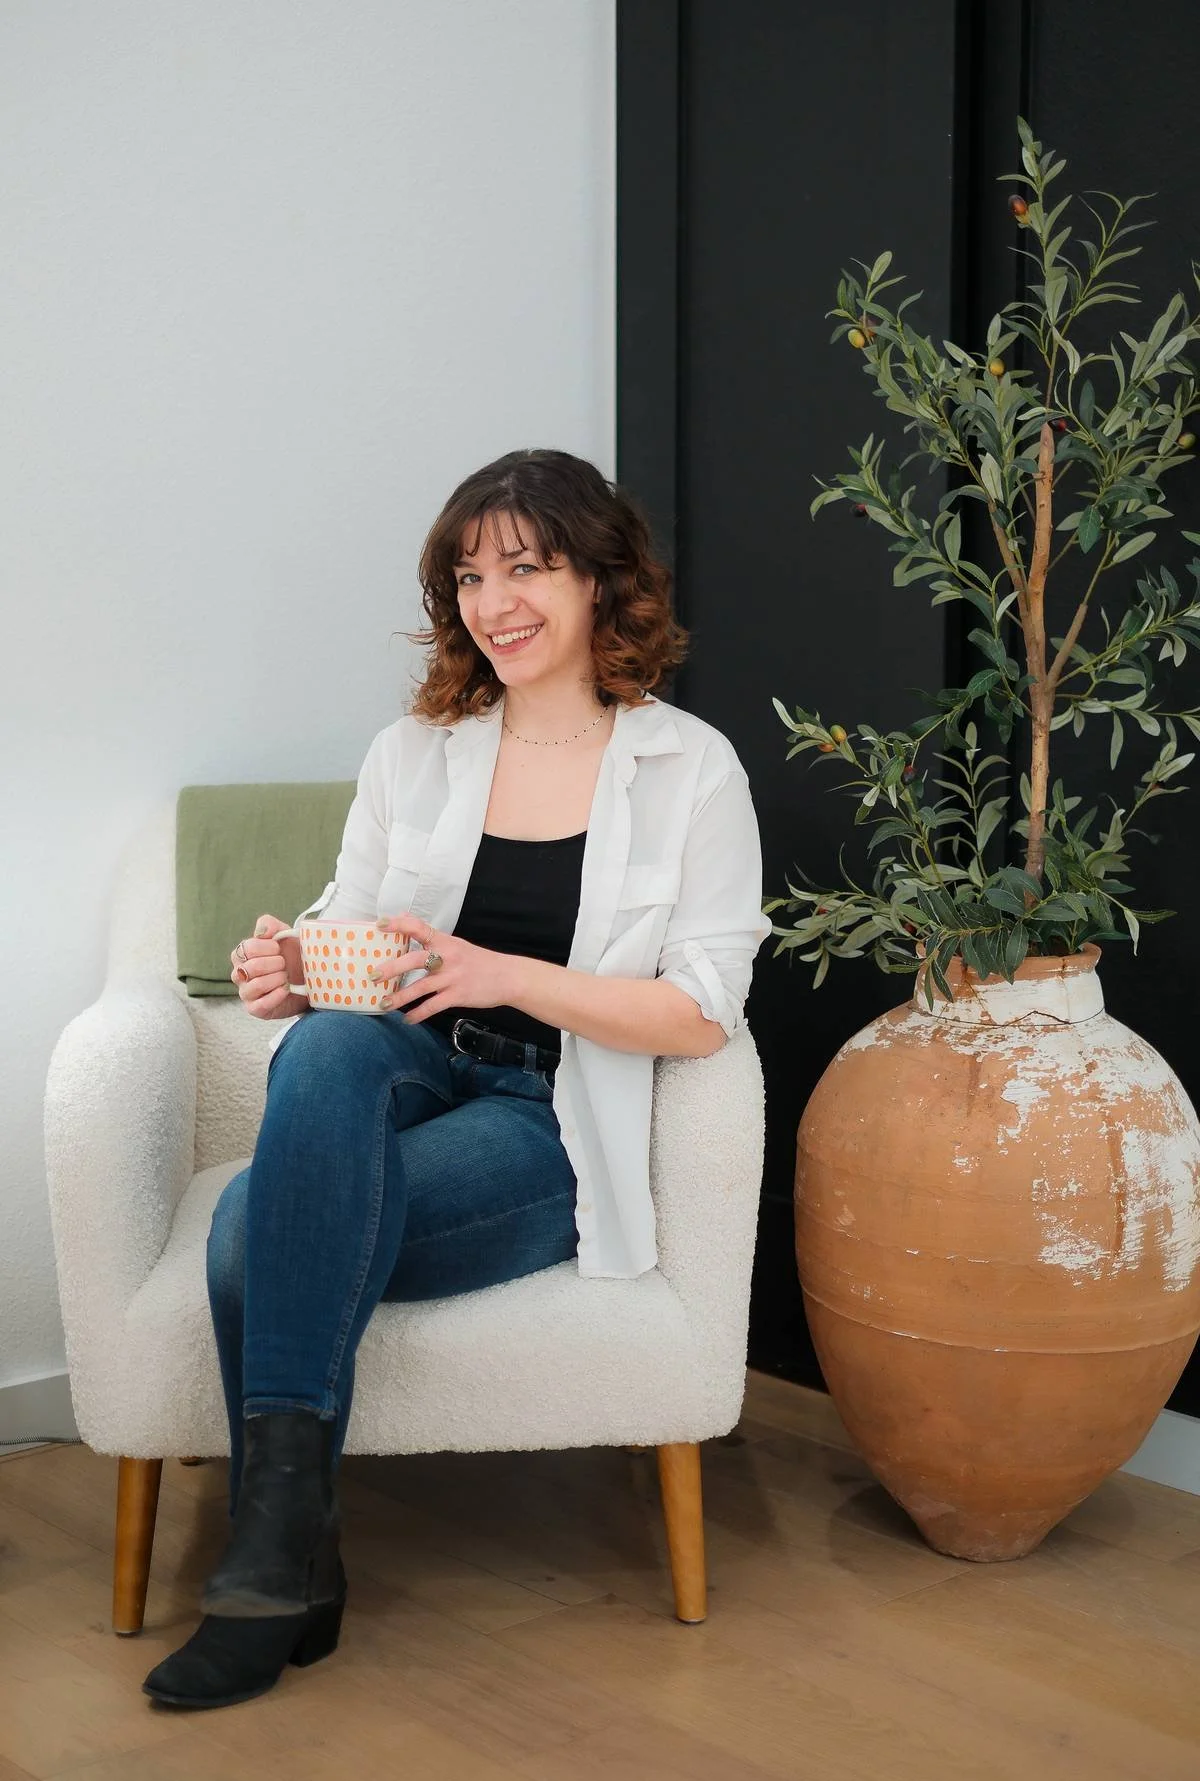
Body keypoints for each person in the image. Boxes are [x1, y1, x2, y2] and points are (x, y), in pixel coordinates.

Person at [142, 448, 770, 1708]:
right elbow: (351, 934)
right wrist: (289, 969)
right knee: (324, 1041)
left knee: (243, 1243)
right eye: (472, 575)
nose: (497, 601)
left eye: (529, 567)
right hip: (400, 1065)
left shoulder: (690, 766)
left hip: (551, 1117)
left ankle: (284, 1562)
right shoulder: (413, 752)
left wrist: (506, 975)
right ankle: (278, 1560)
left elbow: (702, 1014)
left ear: (602, 579)